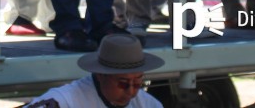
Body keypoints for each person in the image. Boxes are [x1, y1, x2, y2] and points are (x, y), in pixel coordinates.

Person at [25, 33, 164, 108]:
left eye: (138, 84)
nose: (131, 92)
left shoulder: (148, 104)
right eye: (123, 83)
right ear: (101, 75)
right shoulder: (64, 100)